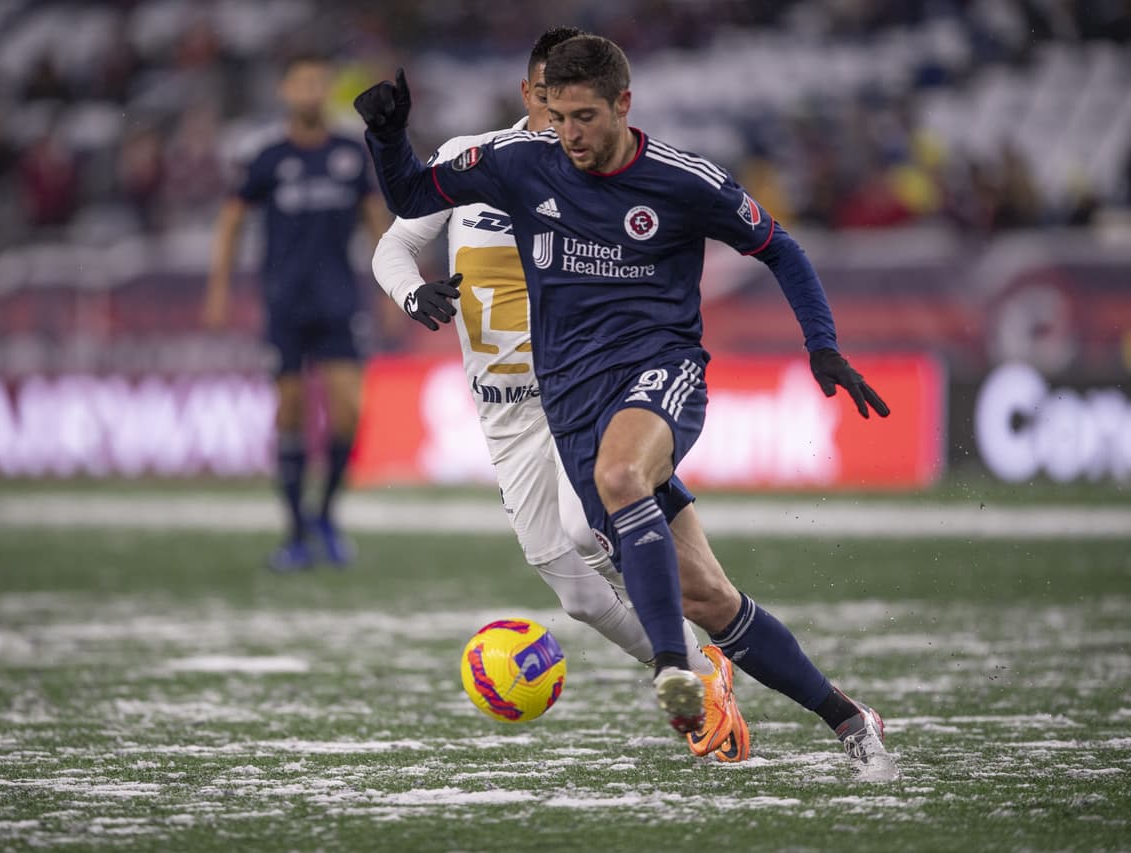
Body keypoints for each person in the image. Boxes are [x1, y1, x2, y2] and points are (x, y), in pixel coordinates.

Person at [354, 35, 897, 779]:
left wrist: (822, 344)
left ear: (622, 105)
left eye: (582, 115)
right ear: (533, 98)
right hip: (564, 399)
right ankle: (847, 715)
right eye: (556, 111)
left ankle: (675, 669)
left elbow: (779, 246)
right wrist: (386, 137)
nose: (567, 131)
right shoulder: (517, 165)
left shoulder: (681, 179)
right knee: (705, 592)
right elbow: (412, 199)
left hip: (657, 373)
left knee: (613, 485)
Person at [371, 27, 746, 763]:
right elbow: (393, 242)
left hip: (577, 390)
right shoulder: (473, 161)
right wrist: (412, 292)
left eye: (576, 106)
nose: (561, 117)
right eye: (549, 98)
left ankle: (691, 659)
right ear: (529, 94)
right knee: (574, 589)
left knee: (589, 525)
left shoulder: (600, 181)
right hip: (501, 407)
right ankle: (701, 666)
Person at [206, 52, 390, 571]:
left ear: (326, 90)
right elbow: (231, 219)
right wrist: (219, 287)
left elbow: (377, 222)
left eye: (318, 83)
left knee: (349, 412)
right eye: (301, 82)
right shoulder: (267, 158)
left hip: (338, 303)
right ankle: (294, 534)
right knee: (289, 411)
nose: (310, 91)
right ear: (286, 90)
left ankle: (325, 513)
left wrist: (396, 286)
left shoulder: (349, 156)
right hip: (285, 303)